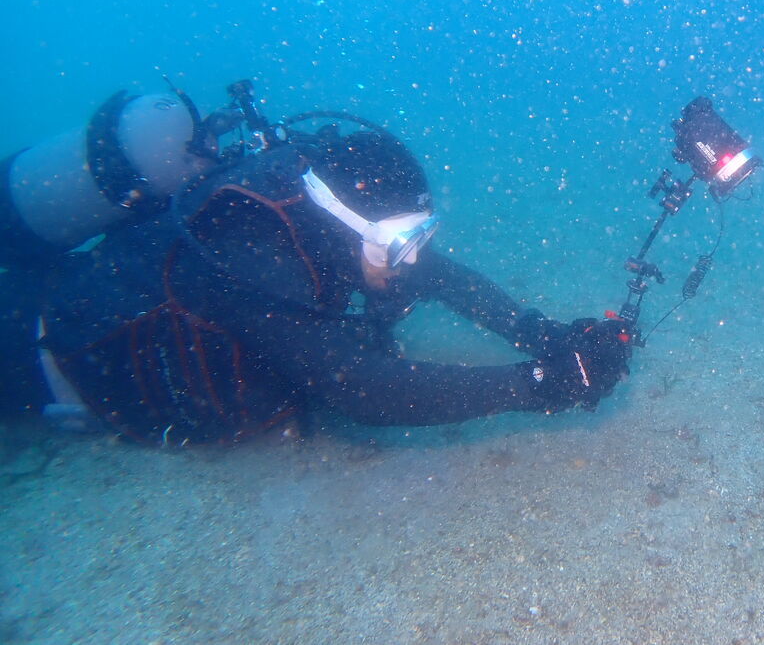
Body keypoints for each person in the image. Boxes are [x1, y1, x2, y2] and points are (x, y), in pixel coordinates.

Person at [0, 121, 632, 445]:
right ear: (342, 218)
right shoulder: (252, 254)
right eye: (398, 244)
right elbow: (362, 389)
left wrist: (541, 334)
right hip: (47, 347)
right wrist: (541, 384)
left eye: (419, 236)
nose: (411, 261)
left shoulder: (325, 215)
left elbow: (440, 275)